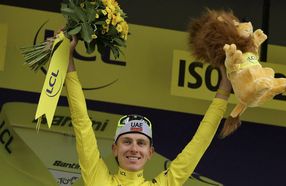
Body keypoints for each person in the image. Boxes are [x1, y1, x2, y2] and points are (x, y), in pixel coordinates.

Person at [65, 36, 232, 185]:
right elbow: (81, 123)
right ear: (114, 148)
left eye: (141, 143)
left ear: (150, 152)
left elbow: (199, 143)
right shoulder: (98, 180)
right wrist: (67, 59)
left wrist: (225, 87)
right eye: (127, 141)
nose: (134, 149)